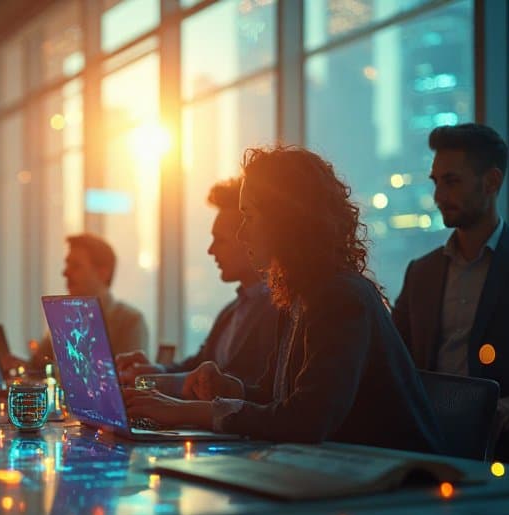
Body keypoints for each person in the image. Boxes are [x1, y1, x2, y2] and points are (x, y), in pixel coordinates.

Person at [125, 146, 444, 455]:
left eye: (249, 217)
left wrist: (188, 412)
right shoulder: (299, 295)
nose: (242, 234)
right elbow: (277, 398)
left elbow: (308, 419)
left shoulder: (341, 297)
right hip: (350, 473)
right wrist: (230, 388)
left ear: (284, 220)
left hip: (401, 486)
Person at [393, 123, 509, 467]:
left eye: (452, 182)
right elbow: (395, 361)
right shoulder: (421, 272)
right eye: (436, 182)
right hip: (429, 455)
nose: (438, 196)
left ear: (492, 181)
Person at [115, 177, 279, 399]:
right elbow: (197, 366)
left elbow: (255, 392)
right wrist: (156, 372)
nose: (211, 251)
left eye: (220, 240)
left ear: (247, 238)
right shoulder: (231, 312)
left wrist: (154, 383)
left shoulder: (280, 310)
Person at [32, 233, 149, 367]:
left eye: (75, 266)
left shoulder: (130, 322)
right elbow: (37, 366)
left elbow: (129, 381)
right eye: (67, 264)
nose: (65, 273)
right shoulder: (68, 318)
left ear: (102, 273)